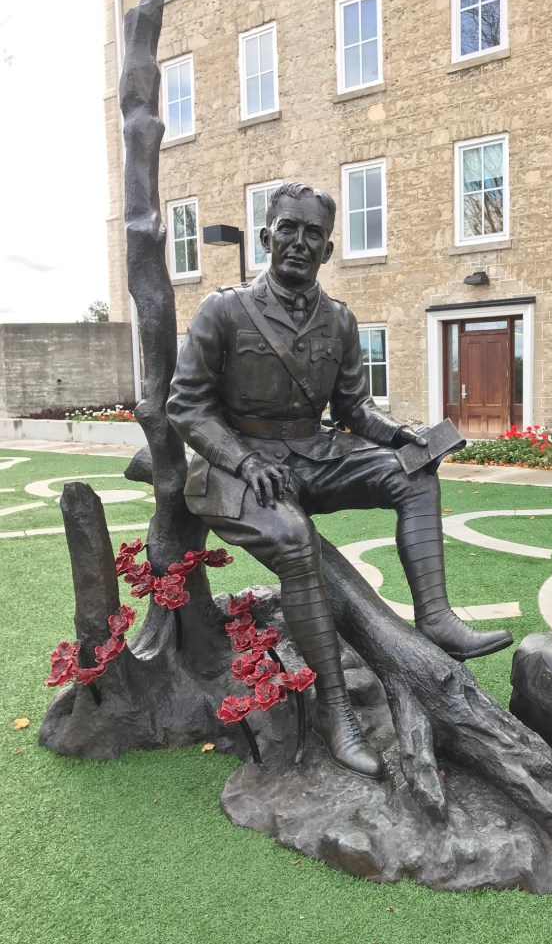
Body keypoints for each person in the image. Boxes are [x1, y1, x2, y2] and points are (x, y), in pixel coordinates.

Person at [167, 182, 513, 778]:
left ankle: (435, 619)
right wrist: (244, 462)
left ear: (328, 249)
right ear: (267, 236)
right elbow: (187, 406)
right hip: (238, 463)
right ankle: (334, 708)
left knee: (414, 476)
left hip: (313, 453)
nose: (299, 242)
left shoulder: (340, 320)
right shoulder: (223, 311)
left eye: (314, 234)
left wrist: (402, 436)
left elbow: (355, 409)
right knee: (295, 540)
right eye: (288, 229)